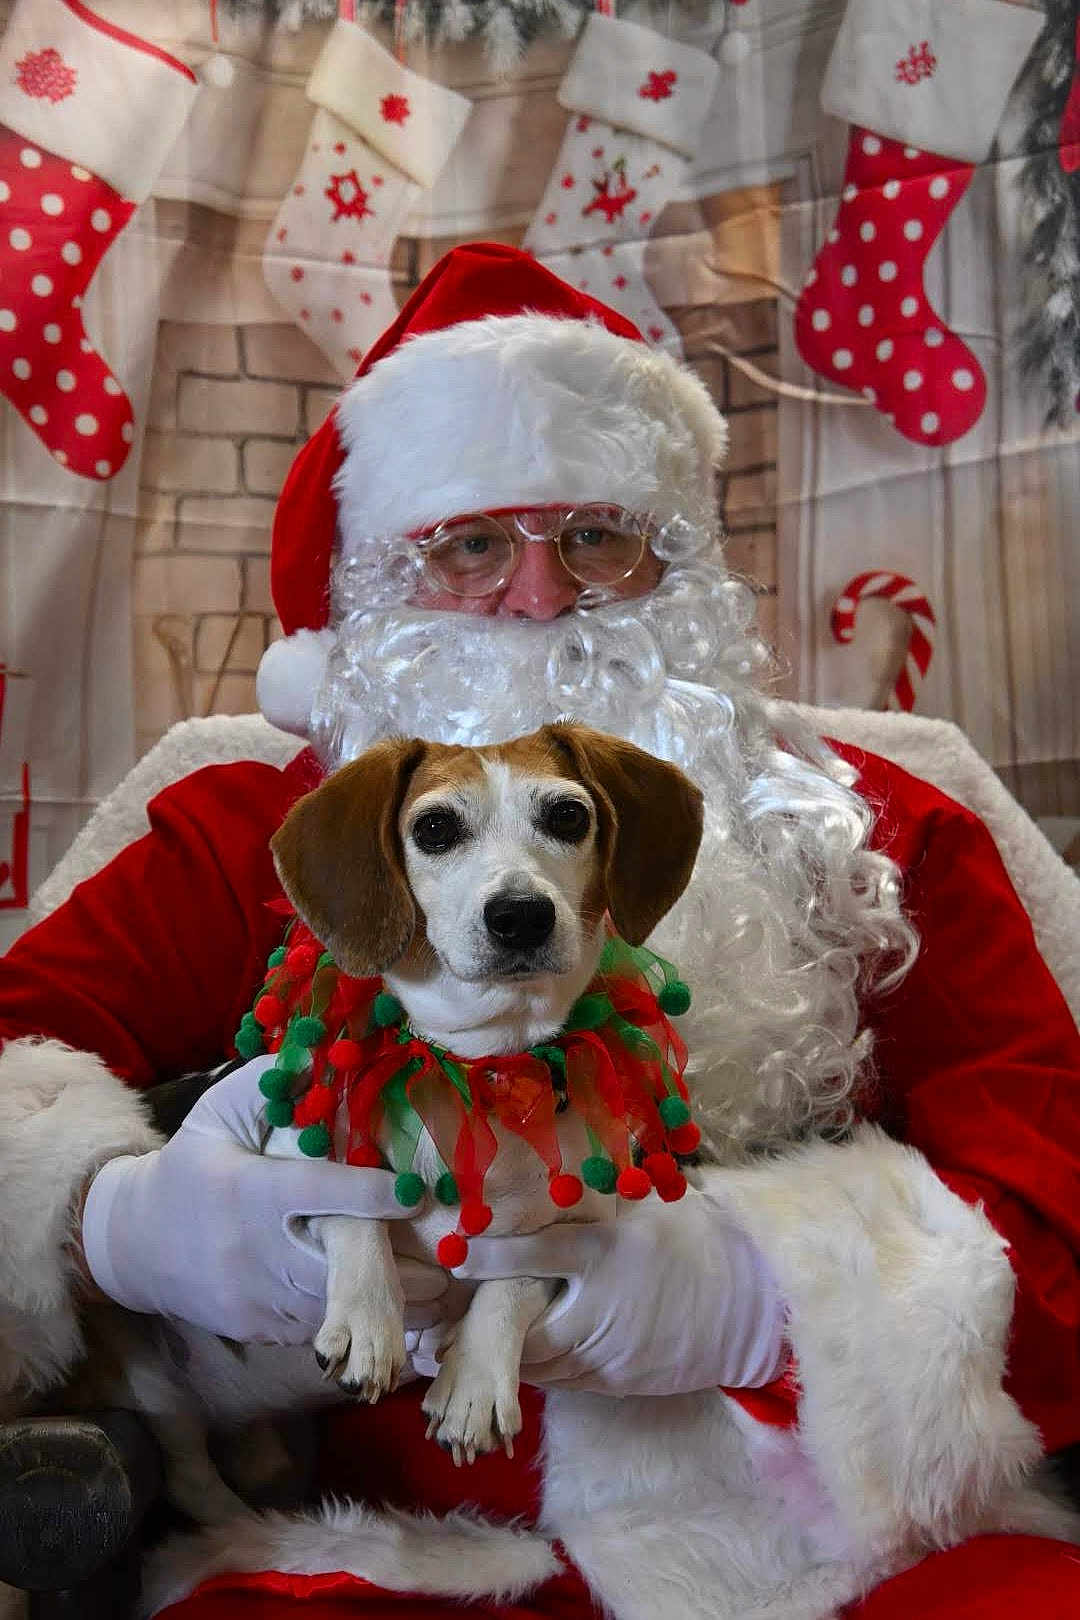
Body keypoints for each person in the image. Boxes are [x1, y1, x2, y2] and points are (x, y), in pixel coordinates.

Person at [1, 242, 1078, 1620]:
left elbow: (1054, 1193)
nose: (540, 594)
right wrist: (112, 1221)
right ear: (379, 582)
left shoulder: (873, 837)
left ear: (675, 563)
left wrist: (763, 1298)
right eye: (468, 543)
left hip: (841, 1531)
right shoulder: (258, 835)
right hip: (395, 1545)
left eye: (596, 533)